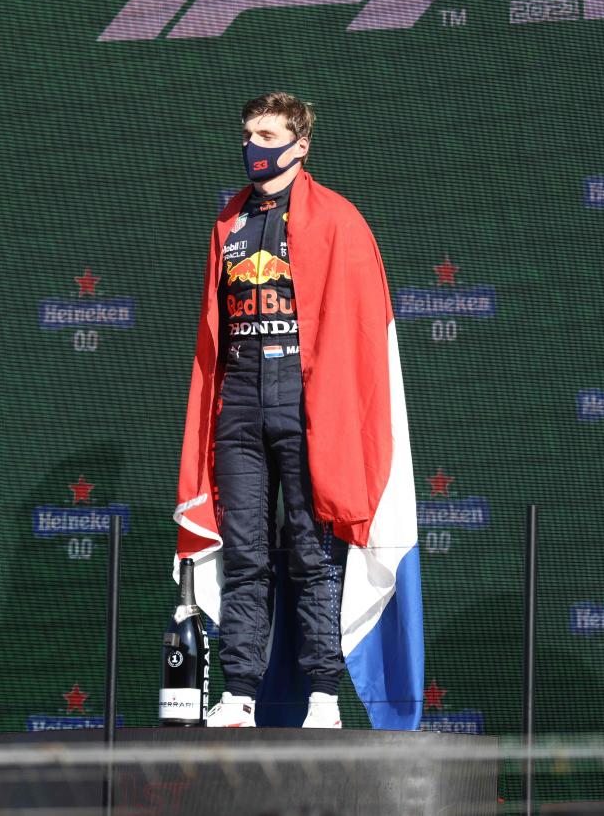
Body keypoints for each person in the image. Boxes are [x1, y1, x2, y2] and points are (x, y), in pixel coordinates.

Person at [174, 92, 420, 730]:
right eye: (248, 132)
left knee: (313, 555)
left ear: (299, 144)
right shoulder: (228, 220)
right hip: (241, 400)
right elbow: (213, 329)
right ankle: (239, 693)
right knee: (246, 555)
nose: (253, 143)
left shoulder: (337, 219)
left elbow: (360, 332)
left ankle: (323, 696)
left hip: (307, 398)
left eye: (266, 133)